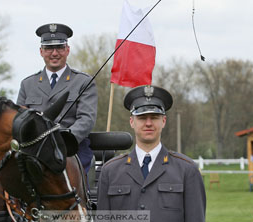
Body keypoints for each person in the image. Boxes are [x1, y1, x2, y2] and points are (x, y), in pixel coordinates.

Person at [97, 85, 206, 222]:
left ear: (163, 121)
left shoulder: (187, 170)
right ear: (132, 121)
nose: (148, 123)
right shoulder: (110, 171)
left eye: (154, 117)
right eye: (142, 118)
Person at [17, 23, 97, 173]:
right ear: (41, 51)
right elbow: (20, 121)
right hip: (35, 150)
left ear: (67, 50)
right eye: (48, 48)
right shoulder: (27, 84)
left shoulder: (83, 82)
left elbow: (86, 119)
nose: (54, 53)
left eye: (59, 47)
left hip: (72, 149)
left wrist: (63, 140)